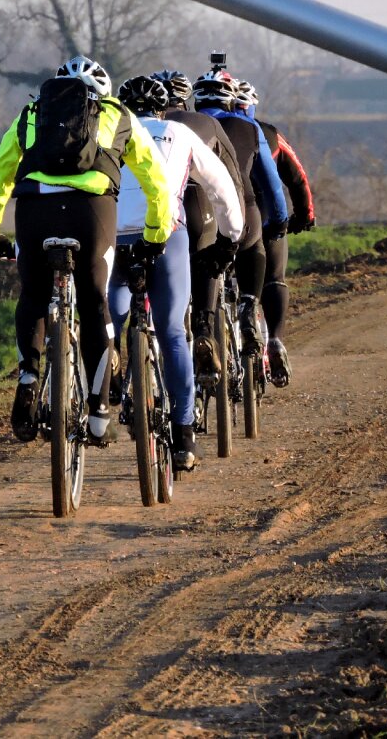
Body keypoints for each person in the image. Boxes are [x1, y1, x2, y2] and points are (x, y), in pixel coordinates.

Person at [0, 56, 173, 447]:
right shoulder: (119, 114)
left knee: (33, 294)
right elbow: (155, 180)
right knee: (95, 303)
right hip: (91, 214)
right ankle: (98, 415)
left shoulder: (31, 114)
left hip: (35, 212)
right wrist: (155, 233)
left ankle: (29, 374)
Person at [109, 75, 242, 471]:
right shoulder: (177, 133)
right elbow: (220, 185)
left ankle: (106, 382)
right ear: (163, 109)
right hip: (167, 235)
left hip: (115, 240)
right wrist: (230, 237)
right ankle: (184, 434)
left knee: (110, 321)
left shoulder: (110, 133)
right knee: (170, 331)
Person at [150, 69, 245, 378]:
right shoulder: (206, 124)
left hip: (160, 211)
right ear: (186, 98)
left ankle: (146, 336)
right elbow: (232, 179)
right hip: (201, 206)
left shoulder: (141, 127)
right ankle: (204, 326)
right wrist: (233, 234)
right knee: (206, 263)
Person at [192, 69, 288, 355]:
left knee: (202, 260)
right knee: (253, 246)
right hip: (245, 209)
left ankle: (202, 326)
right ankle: (248, 304)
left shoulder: (186, 125)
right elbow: (272, 185)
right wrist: (279, 221)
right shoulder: (250, 127)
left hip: (200, 210)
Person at [235, 79, 315, 386]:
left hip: (222, 218)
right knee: (274, 278)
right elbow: (297, 178)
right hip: (267, 216)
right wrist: (305, 216)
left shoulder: (210, 129)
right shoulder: (268, 133)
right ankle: (276, 340)